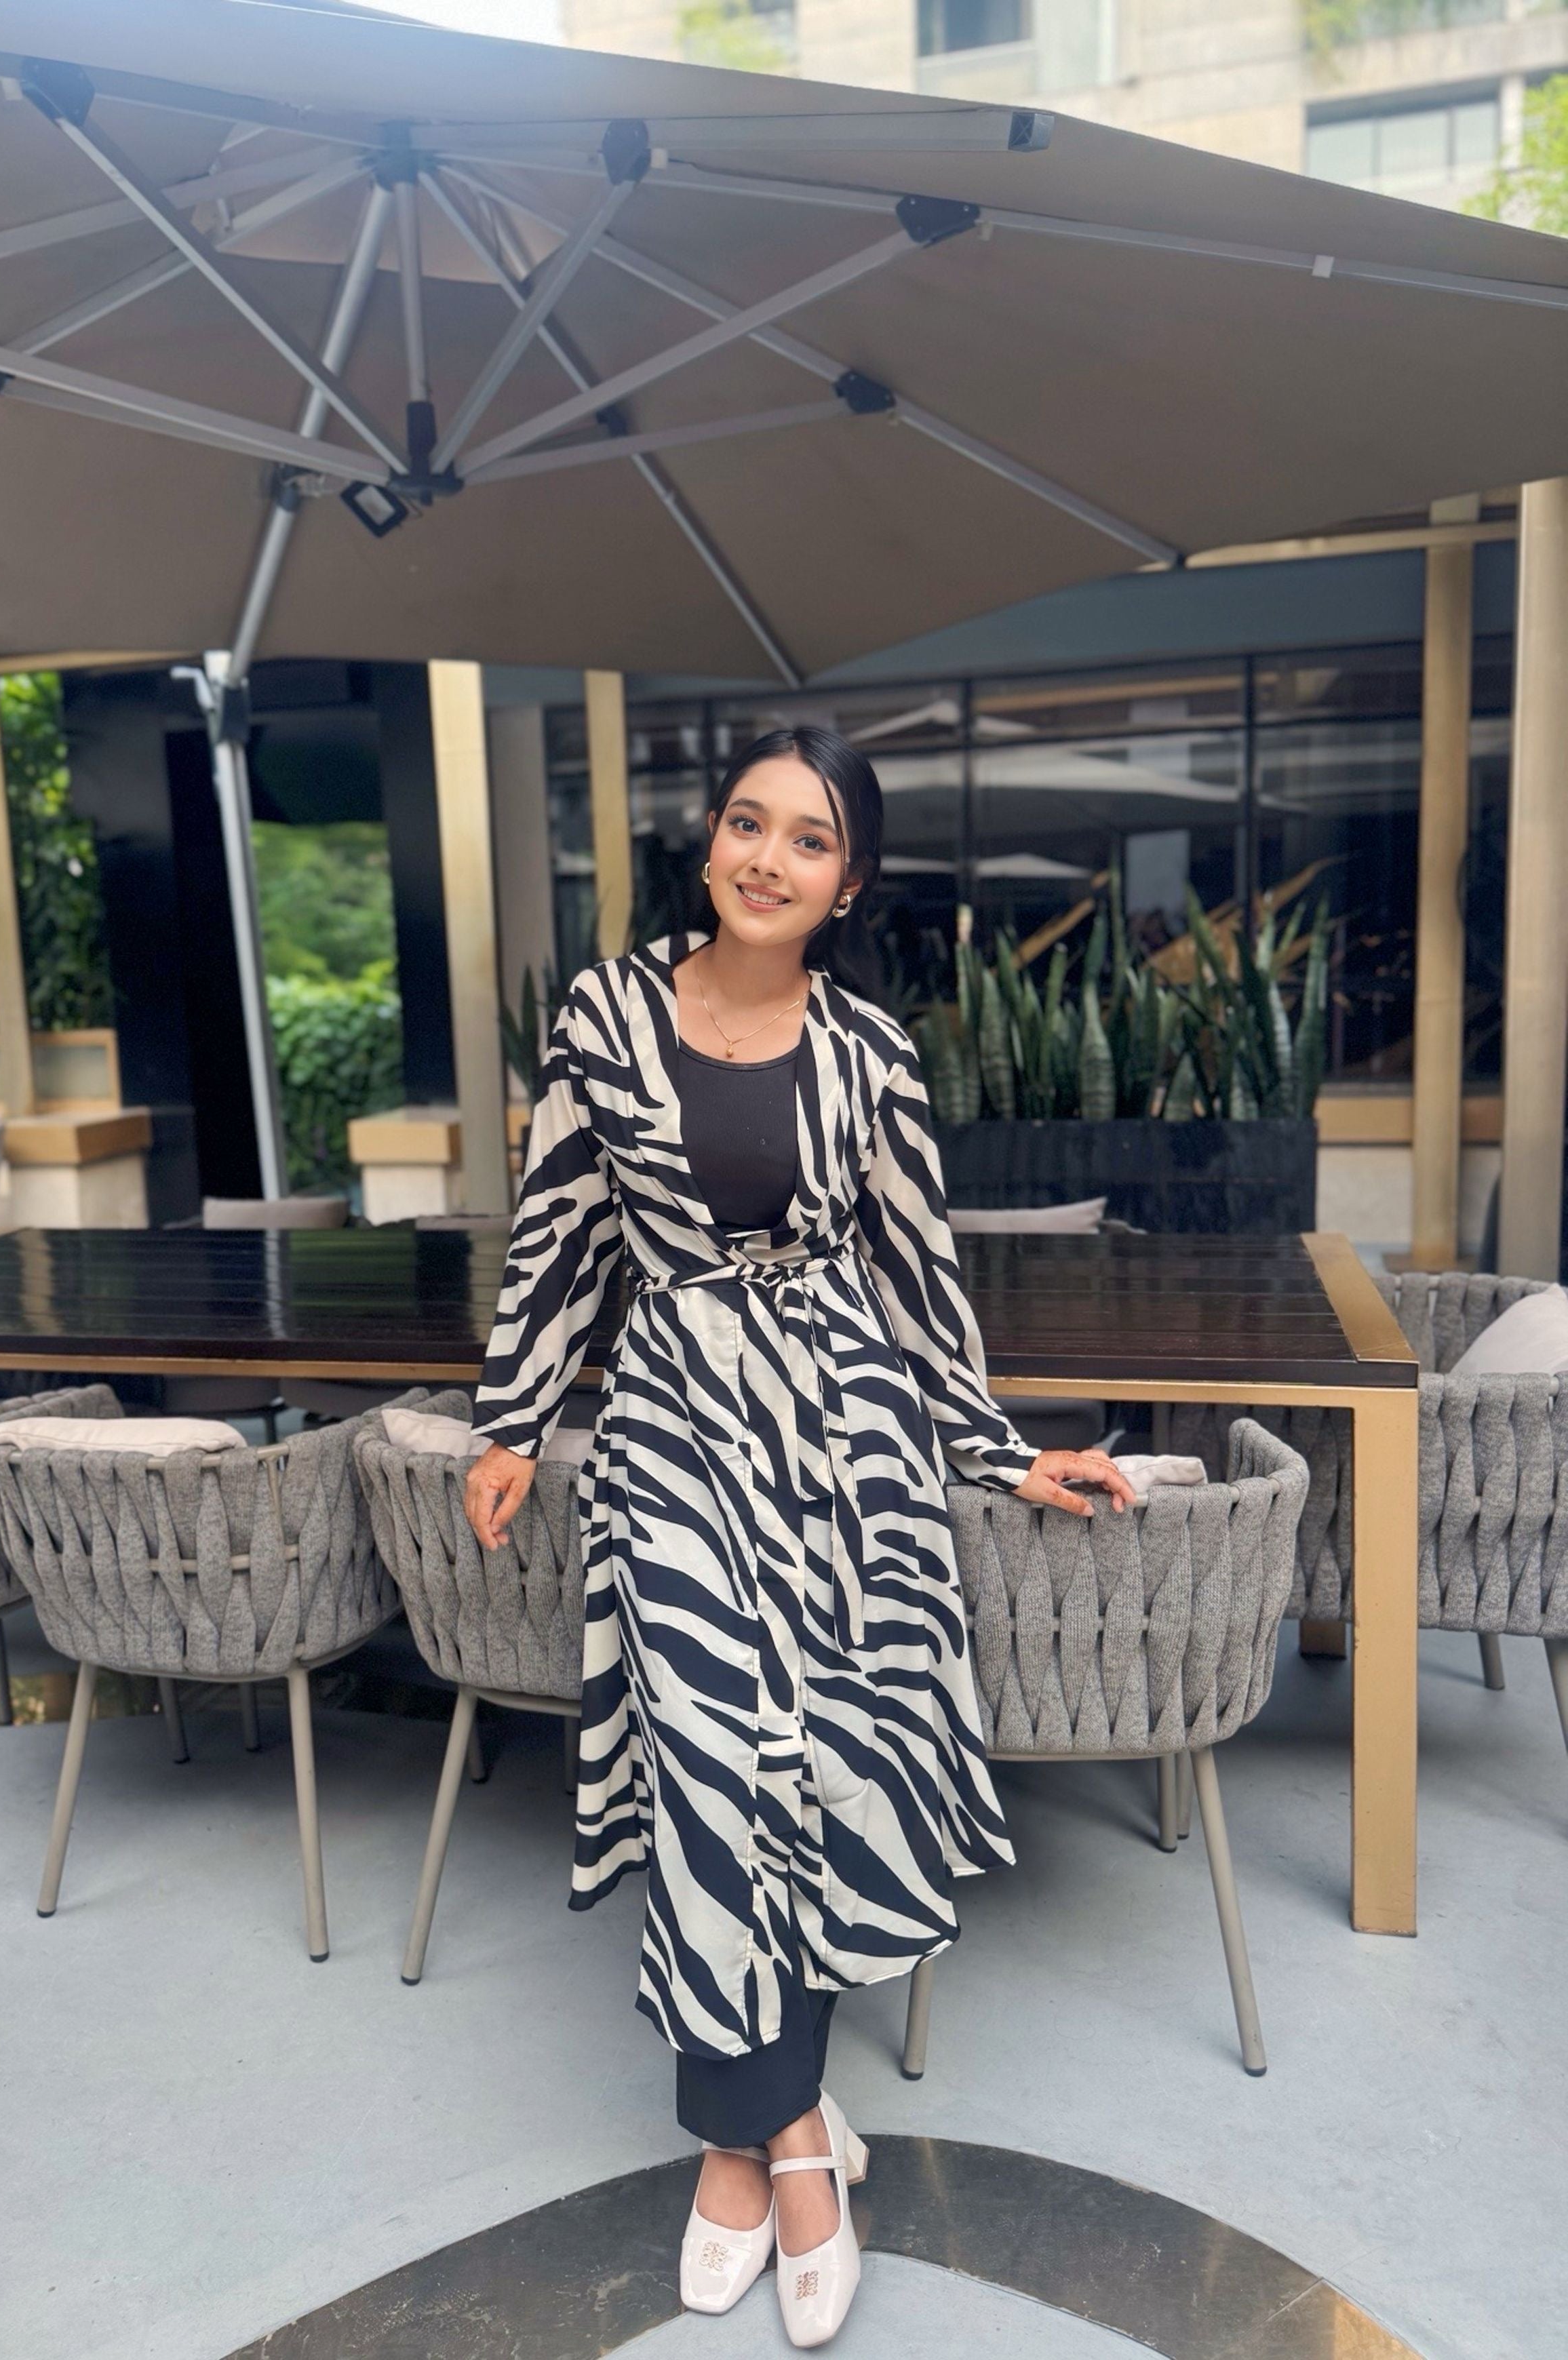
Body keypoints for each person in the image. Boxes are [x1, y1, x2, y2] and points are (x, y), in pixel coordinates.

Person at [463, 724, 1132, 2348]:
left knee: (820, 1766)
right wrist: (509, 1417)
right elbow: (560, 1230)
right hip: (679, 1424)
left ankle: (759, 2144)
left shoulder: (874, 1057)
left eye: (809, 839)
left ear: (847, 884)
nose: (768, 856)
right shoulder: (607, 1017)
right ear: (709, 847)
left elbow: (917, 1284)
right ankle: (775, 2137)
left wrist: (992, 1446)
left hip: (848, 1449)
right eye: (747, 824)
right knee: (708, 1765)